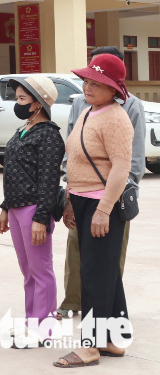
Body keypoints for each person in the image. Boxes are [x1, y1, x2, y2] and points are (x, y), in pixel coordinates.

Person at [54, 54, 133, 368]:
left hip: (103, 205)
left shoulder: (115, 117)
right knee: (105, 271)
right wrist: (72, 200)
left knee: (94, 275)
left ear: (113, 88)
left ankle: (91, 346)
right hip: (83, 200)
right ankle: (114, 339)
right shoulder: (89, 111)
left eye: (96, 83)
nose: (87, 86)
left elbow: (121, 168)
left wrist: (103, 210)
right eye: (86, 80)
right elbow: (77, 160)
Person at [0, 76, 64, 346]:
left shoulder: (48, 134)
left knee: (41, 270)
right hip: (15, 208)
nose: (17, 103)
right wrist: (4, 208)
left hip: (34, 209)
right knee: (28, 270)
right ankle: (30, 323)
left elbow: (48, 181)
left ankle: (44, 329)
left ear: (39, 104)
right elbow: (15, 172)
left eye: (23, 99)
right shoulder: (24, 129)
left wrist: (40, 218)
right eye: (18, 98)